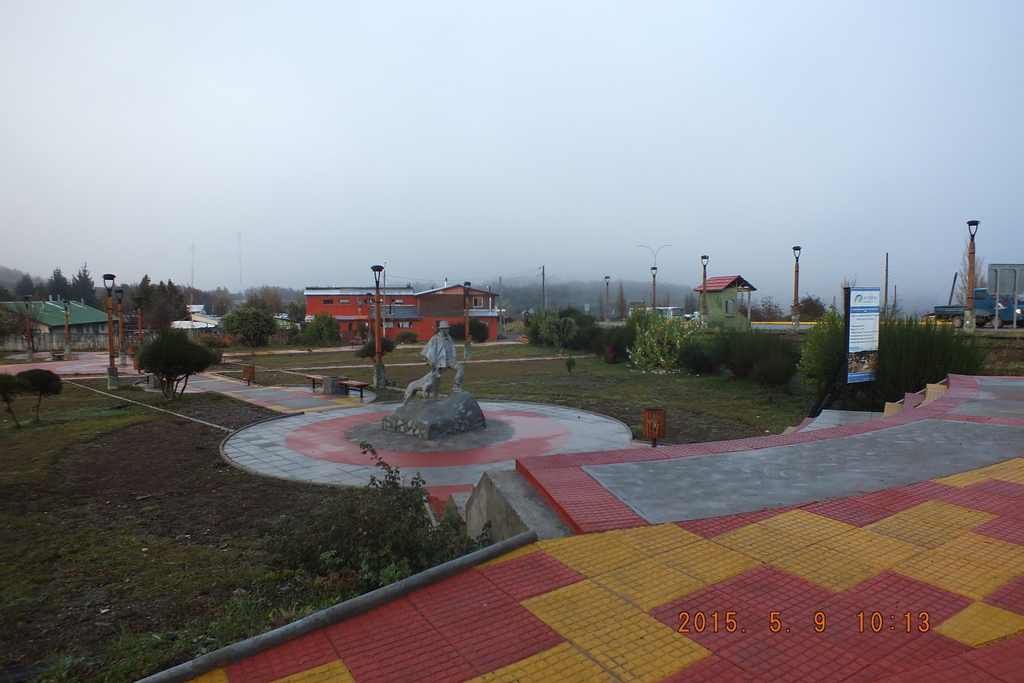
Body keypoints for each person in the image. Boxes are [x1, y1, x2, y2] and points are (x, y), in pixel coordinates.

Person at [421, 321, 465, 390]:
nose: (447, 330)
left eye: (448, 328)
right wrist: (431, 360)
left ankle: (456, 386)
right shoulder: (435, 338)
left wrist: (454, 358)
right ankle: (434, 394)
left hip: (449, 360)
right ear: (441, 329)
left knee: (461, 368)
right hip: (439, 361)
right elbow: (431, 350)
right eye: (445, 328)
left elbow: (453, 348)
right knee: (436, 379)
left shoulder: (449, 338)